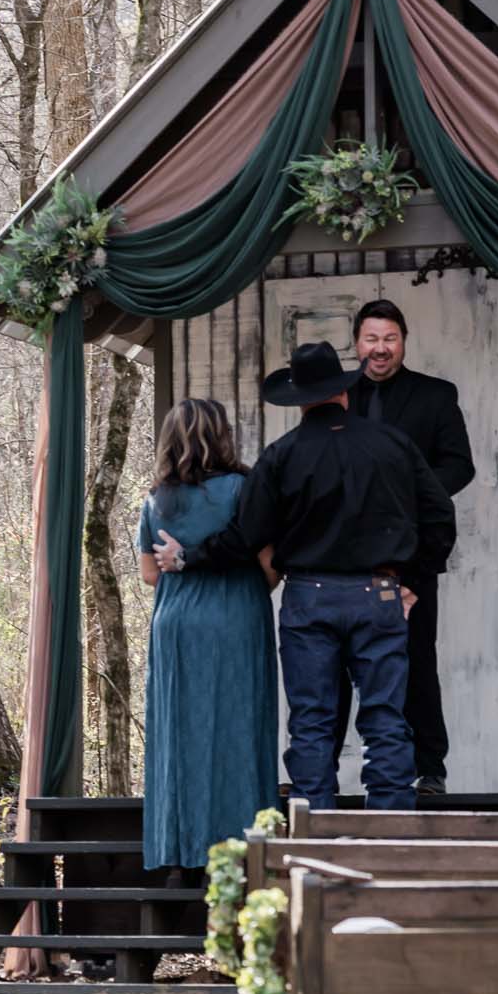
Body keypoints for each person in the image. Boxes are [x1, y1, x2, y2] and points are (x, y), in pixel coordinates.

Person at [154, 341, 456, 812]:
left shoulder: (282, 456)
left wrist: (188, 557)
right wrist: (413, 580)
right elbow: (439, 516)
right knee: (385, 717)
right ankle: (391, 826)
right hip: (378, 594)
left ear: (299, 398)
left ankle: (316, 828)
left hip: (309, 599)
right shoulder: (392, 445)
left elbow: (245, 536)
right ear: (344, 391)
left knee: (313, 719)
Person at [137, 398, 280, 883]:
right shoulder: (244, 490)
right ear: (223, 436)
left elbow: (149, 576)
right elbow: (268, 568)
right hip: (235, 616)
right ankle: (237, 847)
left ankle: (178, 852)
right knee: (238, 728)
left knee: (179, 734)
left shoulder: (156, 499)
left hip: (176, 621)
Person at [341, 300, 475, 796]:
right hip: (346, 556)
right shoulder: (334, 397)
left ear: (404, 341)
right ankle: (326, 768)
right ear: (357, 342)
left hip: (413, 554)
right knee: (337, 665)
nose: (380, 349)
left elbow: (460, 465)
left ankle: (430, 768)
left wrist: (413, 497)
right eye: (372, 339)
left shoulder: (435, 396)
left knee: (417, 659)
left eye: (390, 339)